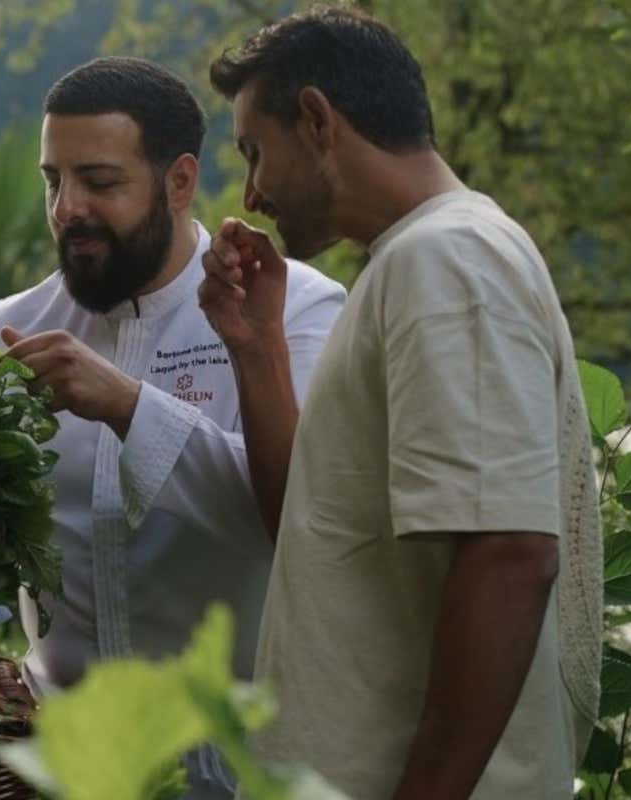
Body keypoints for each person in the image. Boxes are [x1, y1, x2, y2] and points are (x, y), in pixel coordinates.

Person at [0, 57, 345, 798]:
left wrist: (128, 404)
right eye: (53, 181)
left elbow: (304, 518)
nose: (67, 207)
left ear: (178, 182)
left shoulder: (295, 310)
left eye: (100, 182)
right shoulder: (4, 329)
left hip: (247, 768)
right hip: (64, 766)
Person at [198, 8, 603, 799]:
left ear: (317, 120)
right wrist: (258, 347)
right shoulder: (414, 264)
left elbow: (511, 556)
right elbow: (315, 532)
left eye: (254, 152)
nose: (251, 193)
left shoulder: (447, 260)